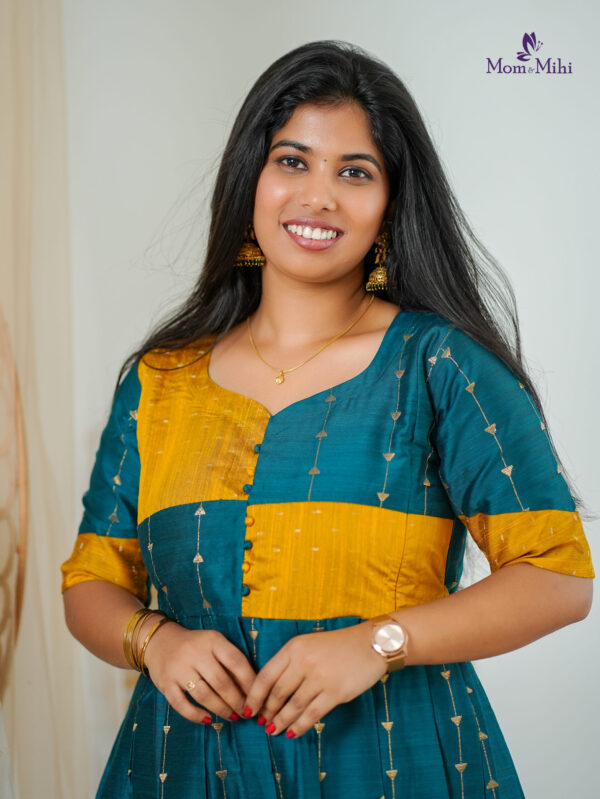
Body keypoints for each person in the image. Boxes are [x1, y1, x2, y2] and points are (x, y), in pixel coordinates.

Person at [61, 39, 594, 799]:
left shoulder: (439, 364)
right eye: (292, 161)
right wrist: (155, 640)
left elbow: (558, 576)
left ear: (390, 205)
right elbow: (91, 581)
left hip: (395, 762)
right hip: (183, 767)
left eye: (354, 172)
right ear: (251, 179)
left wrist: (380, 643)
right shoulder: (161, 380)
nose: (318, 197)